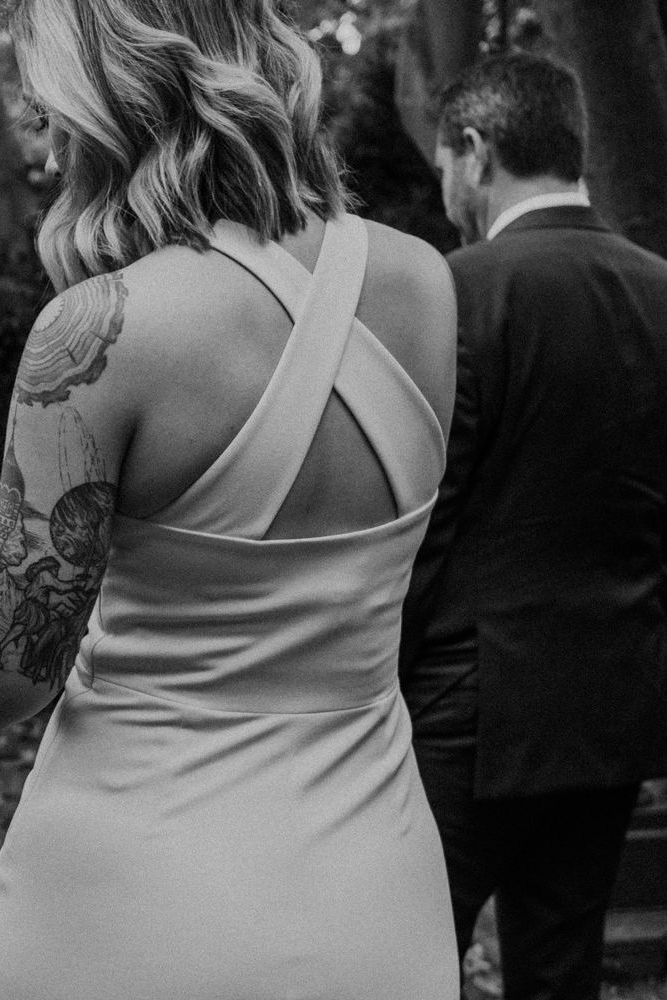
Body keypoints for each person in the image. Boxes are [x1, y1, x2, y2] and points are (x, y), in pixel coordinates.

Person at [0, 0, 461, 995]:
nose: (44, 150)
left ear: (114, 98)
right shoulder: (424, 283)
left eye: (48, 109)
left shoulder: (101, 332)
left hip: (135, 905)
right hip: (376, 897)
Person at [401, 53, 667, 1000]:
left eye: (443, 164)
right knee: (561, 969)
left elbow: (429, 513)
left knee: (406, 955)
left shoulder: (456, 288)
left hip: (468, 697)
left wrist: (376, 678)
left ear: (475, 151)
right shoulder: (659, 288)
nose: (446, 190)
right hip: (615, 693)